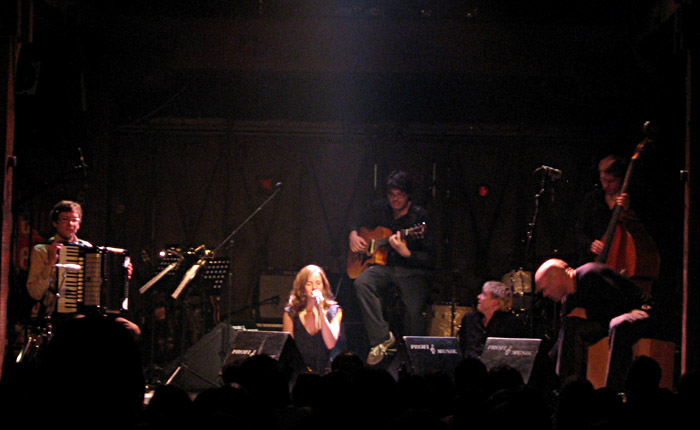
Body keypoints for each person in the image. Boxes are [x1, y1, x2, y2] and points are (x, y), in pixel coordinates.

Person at [348, 170, 435, 365]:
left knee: (413, 312)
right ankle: (381, 339)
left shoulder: (420, 217)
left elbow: (430, 258)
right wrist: (353, 234)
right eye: (391, 195)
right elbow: (356, 219)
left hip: (411, 270)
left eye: (400, 195)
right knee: (362, 282)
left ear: (408, 196)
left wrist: (407, 253)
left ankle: (416, 357)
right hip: (384, 267)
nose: (395, 200)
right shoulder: (380, 208)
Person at [534, 258, 654, 393]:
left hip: (640, 310)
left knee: (619, 324)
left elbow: (622, 304)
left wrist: (588, 314)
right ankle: (568, 390)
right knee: (571, 326)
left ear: (557, 279)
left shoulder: (591, 274)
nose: (545, 294)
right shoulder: (569, 300)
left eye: (545, 288)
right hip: (607, 321)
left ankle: (613, 392)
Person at [25, 200, 139, 337]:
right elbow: (35, 293)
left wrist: (122, 274)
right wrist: (50, 263)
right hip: (58, 313)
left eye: (74, 220)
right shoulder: (42, 250)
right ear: (55, 223)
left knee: (131, 330)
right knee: (86, 328)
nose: (70, 224)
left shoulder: (88, 249)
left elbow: (102, 281)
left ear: (79, 224)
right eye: (64, 219)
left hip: (92, 313)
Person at [283, 264, 343, 374]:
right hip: (299, 372)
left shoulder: (334, 311)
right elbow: (288, 349)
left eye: (318, 283)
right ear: (302, 287)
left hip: (326, 372)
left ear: (323, 286)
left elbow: (330, 343)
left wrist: (320, 309)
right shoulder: (291, 313)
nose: (314, 288)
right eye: (309, 284)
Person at [458, 281, 527, 359]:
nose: (478, 296)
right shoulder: (469, 319)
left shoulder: (512, 323)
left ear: (495, 302)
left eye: (483, 294)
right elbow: (462, 349)